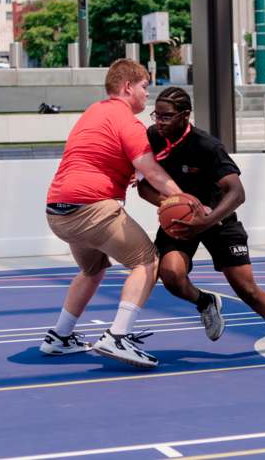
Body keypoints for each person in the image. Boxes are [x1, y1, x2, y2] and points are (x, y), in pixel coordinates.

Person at [40, 59, 189, 369]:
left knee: (93, 270)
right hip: (91, 208)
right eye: (145, 86)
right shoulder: (127, 121)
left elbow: (104, 157)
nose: (148, 94)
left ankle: (59, 336)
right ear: (127, 87)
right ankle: (118, 336)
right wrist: (184, 197)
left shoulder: (93, 112)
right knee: (147, 260)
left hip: (57, 210)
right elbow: (151, 170)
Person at [137, 87, 265, 353]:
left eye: (166, 116)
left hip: (218, 219)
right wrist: (174, 204)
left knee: (245, 288)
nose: (159, 121)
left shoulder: (206, 146)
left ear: (185, 115)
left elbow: (237, 192)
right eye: (156, 115)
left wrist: (206, 219)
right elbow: (144, 187)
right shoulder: (152, 138)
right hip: (180, 219)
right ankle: (205, 302)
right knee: (170, 275)